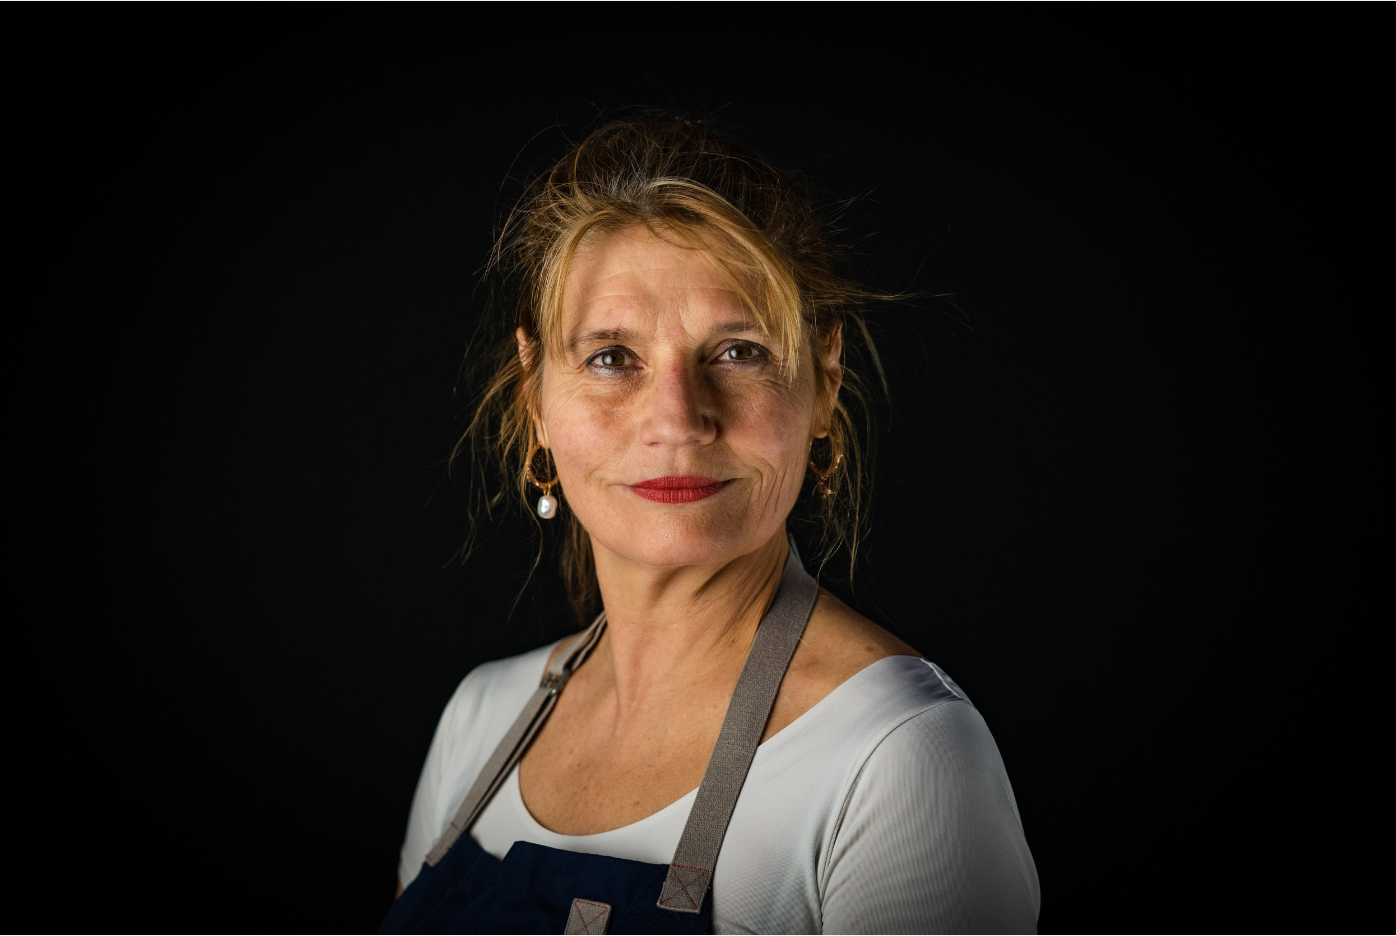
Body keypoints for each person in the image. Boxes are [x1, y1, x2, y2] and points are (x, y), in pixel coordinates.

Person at [384, 116, 1040, 934]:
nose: (678, 421)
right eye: (611, 358)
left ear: (825, 380)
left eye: (738, 352)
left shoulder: (900, 755)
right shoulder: (480, 719)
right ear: (534, 396)